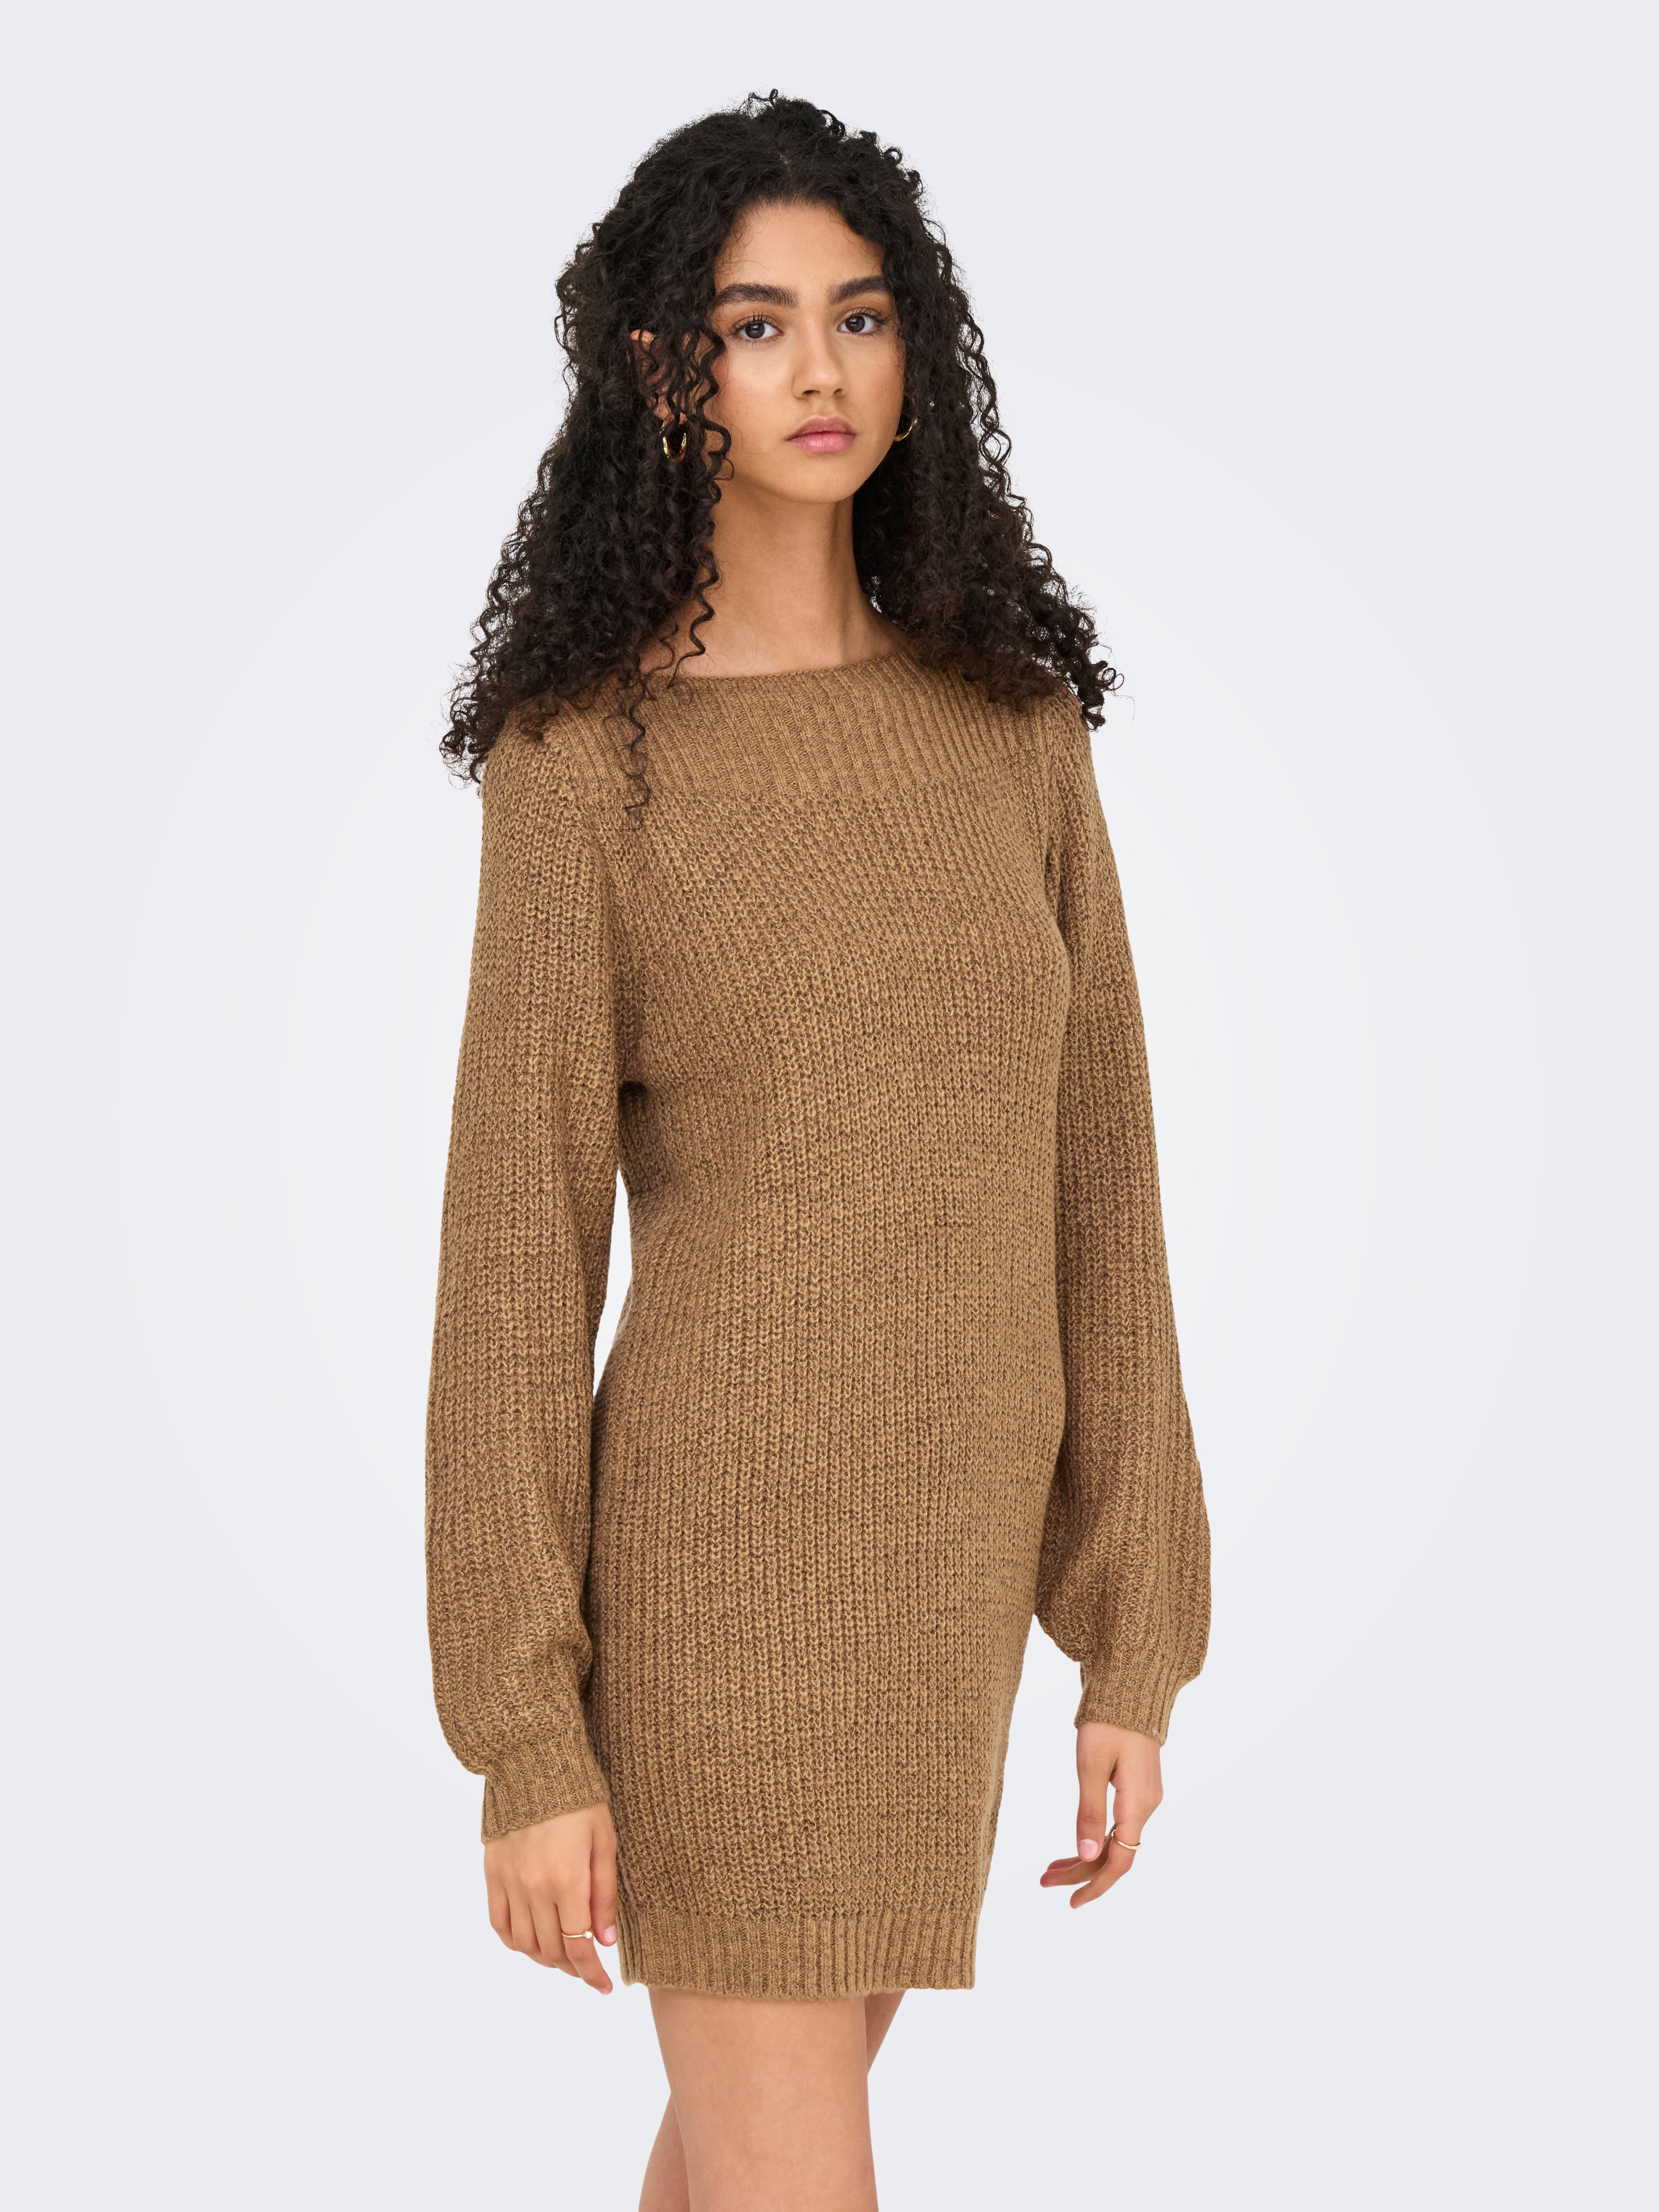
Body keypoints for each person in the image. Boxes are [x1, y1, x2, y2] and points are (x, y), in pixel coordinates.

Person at [425, 90, 1211, 2212]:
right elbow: (513, 1260)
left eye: (857, 317)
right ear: (660, 371)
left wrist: (1129, 1634)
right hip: (720, 1595)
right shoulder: (585, 765)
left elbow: (1101, 1187)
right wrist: (525, 1732)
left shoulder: (1011, 729)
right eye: (754, 325)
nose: (818, 369)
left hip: (938, 1591)